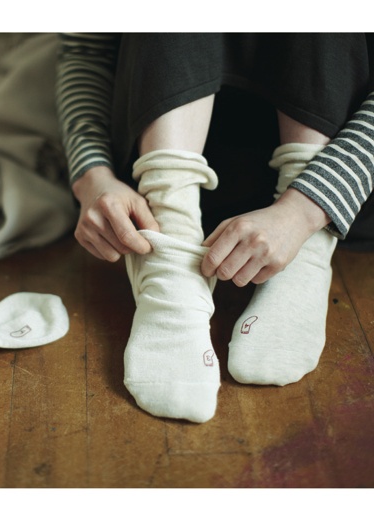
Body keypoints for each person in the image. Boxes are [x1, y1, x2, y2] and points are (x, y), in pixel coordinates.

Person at [55, 33, 374, 423]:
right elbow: (86, 51)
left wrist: (305, 211)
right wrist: (92, 175)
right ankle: (172, 252)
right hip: (161, 161)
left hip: (343, 177)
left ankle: (306, 252)